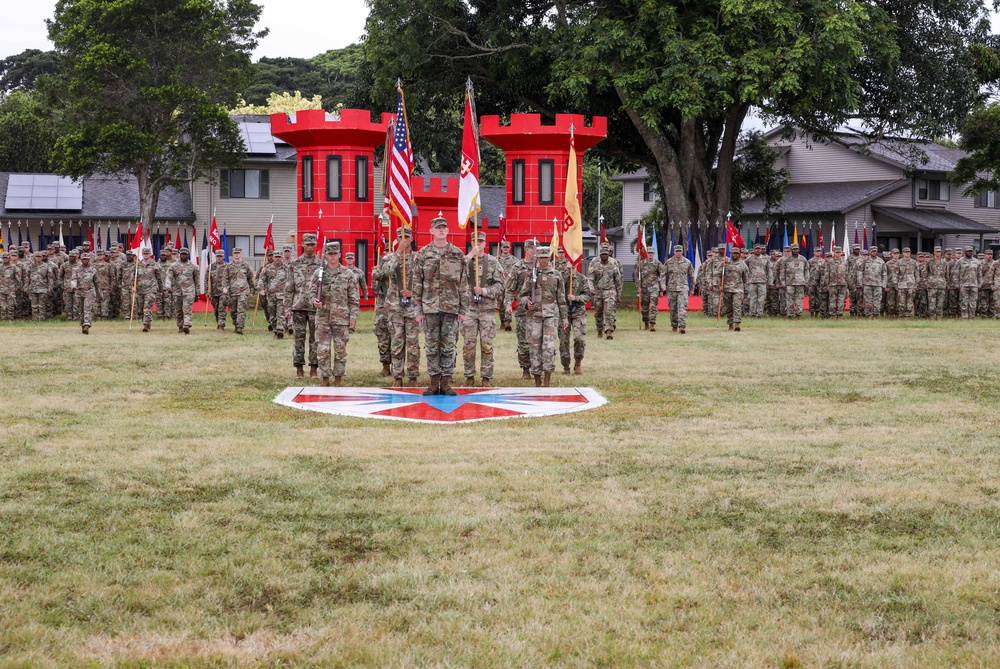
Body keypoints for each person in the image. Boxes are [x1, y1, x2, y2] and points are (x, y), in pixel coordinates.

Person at [412, 215, 469, 396]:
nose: (441, 230)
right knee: (431, 345)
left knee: (448, 345)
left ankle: (446, 382)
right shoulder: (422, 254)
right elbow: (417, 284)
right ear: (431, 231)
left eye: (444, 227)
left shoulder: (457, 254)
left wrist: (463, 309)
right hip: (429, 308)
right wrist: (418, 310)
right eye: (438, 228)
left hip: (451, 307)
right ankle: (433, 382)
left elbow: (463, 284)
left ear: (448, 231)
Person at [310, 241, 359, 387]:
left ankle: (338, 378)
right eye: (329, 254)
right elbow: (311, 292)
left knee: (340, 349)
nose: (332, 257)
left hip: (341, 318)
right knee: (323, 349)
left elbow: (354, 298)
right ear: (326, 256)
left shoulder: (347, 274)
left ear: (339, 254)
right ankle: (325, 378)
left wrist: (353, 317)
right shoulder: (319, 273)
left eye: (335, 253)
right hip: (323, 317)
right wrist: (314, 301)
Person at [517, 245, 567, 387]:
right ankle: (537, 379)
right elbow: (522, 295)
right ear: (537, 258)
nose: (543, 260)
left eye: (546, 257)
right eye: (541, 257)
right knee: (534, 348)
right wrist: (527, 303)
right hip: (535, 317)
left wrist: (564, 318)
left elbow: (561, 299)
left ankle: (547, 379)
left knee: (549, 348)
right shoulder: (532, 275)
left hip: (551, 316)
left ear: (549, 257)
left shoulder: (556, 275)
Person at [381, 228, 421, 387]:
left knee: (413, 344)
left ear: (412, 238)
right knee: (397, 343)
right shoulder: (391, 257)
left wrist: (413, 292)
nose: (404, 239)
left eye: (407, 236)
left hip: (412, 307)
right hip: (395, 307)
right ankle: (397, 377)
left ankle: (412, 377)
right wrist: (398, 252)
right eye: (400, 237)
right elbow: (385, 272)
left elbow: (426, 280)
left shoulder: (419, 258)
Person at [462, 230, 503, 387]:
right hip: (469, 310)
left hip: (486, 310)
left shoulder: (492, 262)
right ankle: (469, 376)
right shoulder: (465, 262)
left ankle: (486, 377)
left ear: (485, 243)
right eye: (475, 241)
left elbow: (500, 286)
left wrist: (484, 291)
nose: (478, 244)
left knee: (486, 345)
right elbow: (455, 278)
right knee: (468, 345)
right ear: (471, 242)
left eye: (481, 241)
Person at [285, 234, 322, 379]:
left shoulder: (321, 264)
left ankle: (314, 369)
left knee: (315, 339)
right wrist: (287, 308)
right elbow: (289, 288)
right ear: (302, 244)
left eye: (312, 244)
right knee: (298, 339)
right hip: (298, 306)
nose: (310, 247)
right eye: (307, 244)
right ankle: (299, 369)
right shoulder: (294, 264)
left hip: (314, 308)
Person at [505, 239, 536, 379]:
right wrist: (507, 304)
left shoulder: (540, 267)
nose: (536, 251)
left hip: (538, 311)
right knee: (523, 342)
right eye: (533, 249)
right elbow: (509, 289)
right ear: (527, 250)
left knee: (537, 341)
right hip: (523, 311)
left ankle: (537, 368)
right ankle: (525, 370)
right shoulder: (517, 267)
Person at [559, 257, 592, 374]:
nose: (572, 263)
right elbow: (557, 286)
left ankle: (578, 363)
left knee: (579, 338)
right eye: (570, 261)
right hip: (564, 313)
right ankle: (566, 366)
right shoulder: (562, 277)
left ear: (578, 262)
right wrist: (567, 270)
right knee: (563, 340)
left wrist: (576, 298)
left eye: (574, 261)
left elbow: (588, 295)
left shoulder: (582, 279)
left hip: (578, 312)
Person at [370, 245, 393, 375]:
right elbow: (375, 285)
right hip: (383, 304)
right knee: (383, 335)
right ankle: (385, 365)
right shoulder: (378, 268)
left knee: (397, 337)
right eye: (385, 251)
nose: (387, 253)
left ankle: (397, 365)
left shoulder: (399, 264)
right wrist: (384, 264)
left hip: (397, 305)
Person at [590, 242, 622, 339]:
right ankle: (599, 330)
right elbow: (590, 279)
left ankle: (608, 331)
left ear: (609, 255)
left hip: (610, 291)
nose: (604, 256)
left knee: (609, 312)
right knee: (598, 312)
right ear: (600, 256)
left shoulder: (613, 266)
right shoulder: (595, 266)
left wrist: (619, 295)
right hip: (598, 292)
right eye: (602, 254)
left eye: (606, 254)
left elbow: (618, 281)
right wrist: (591, 289)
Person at [221, 247, 254, 334]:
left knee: (241, 310)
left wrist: (252, 291)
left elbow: (250, 279)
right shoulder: (229, 266)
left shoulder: (246, 265)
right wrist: (225, 287)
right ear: (233, 254)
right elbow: (225, 279)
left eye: (238, 253)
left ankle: (240, 327)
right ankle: (236, 324)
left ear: (241, 254)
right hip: (232, 292)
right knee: (233, 311)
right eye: (235, 253)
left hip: (243, 292)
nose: (236, 255)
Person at [166, 248, 199, 334]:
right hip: (177, 291)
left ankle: (187, 325)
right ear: (179, 254)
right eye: (182, 254)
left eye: (185, 254)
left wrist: (197, 293)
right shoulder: (174, 266)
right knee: (178, 310)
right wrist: (168, 286)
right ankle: (180, 326)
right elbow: (169, 277)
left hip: (189, 291)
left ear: (188, 255)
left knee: (187, 309)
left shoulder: (193, 266)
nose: (183, 255)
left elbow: (197, 280)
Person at [257, 249, 288, 339]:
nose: (278, 259)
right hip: (271, 295)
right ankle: (275, 329)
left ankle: (280, 329)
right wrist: (261, 289)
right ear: (273, 258)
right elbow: (261, 279)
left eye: (279, 257)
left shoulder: (286, 268)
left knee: (281, 312)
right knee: (272, 313)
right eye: (276, 257)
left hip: (282, 295)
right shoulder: (267, 268)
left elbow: (291, 280)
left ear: (282, 258)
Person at [663, 244, 694, 333]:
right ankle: (674, 326)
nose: (678, 253)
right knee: (673, 308)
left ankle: (682, 327)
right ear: (674, 252)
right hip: (672, 288)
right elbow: (663, 275)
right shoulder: (669, 262)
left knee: (682, 307)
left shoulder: (687, 262)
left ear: (682, 252)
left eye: (680, 251)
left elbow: (692, 276)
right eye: (677, 251)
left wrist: (692, 288)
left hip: (683, 288)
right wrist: (662, 285)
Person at [634, 249, 664, 331]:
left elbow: (662, 276)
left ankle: (652, 324)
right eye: (649, 253)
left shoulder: (657, 263)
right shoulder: (641, 263)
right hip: (644, 288)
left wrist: (661, 289)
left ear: (654, 253)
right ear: (646, 253)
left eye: (651, 253)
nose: (650, 254)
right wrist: (638, 286)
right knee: (644, 308)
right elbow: (637, 275)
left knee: (653, 306)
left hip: (654, 288)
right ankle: (646, 323)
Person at [133, 247, 162, 331]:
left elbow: (159, 278)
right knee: (141, 309)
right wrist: (133, 286)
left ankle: (146, 325)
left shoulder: (155, 264)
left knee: (147, 307)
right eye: (144, 254)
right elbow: (134, 277)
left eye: (147, 253)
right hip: (140, 289)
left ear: (150, 254)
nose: (145, 255)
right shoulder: (138, 265)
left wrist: (160, 290)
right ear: (142, 254)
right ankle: (146, 321)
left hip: (151, 289)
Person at [779, 243, 809, 318]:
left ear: (799, 250)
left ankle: (799, 315)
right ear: (791, 250)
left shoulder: (803, 259)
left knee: (799, 300)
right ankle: (790, 315)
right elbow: (782, 272)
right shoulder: (786, 260)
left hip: (800, 283)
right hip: (789, 283)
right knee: (789, 300)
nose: (795, 250)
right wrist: (783, 283)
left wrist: (806, 282)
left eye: (797, 249)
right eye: (794, 249)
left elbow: (806, 271)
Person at [72, 252, 100, 334]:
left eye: (86, 259)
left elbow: (96, 282)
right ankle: (82, 324)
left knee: (87, 309)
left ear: (89, 260)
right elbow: (74, 279)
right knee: (81, 310)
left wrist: (98, 293)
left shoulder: (93, 270)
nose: (85, 261)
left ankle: (87, 325)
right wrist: (73, 286)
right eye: (83, 259)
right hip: (79, 292)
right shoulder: (76, 269)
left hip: (89, 291)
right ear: (81, 260)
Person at [496, 240, 521, 331]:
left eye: (507, 247)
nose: (506, 249)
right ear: (501, 248)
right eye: (504, 247)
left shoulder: (514, 260)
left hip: (510, 285)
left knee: (508, 303)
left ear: (510, 248)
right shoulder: (496, 259)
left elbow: (519, 270)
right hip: (499, 285)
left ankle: (507, 322)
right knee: (501, 305)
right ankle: (502, 321)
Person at [722, 249, 749, 331]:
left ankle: (737, 324)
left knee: (737, 306)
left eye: (737, 253)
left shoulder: (743, 264)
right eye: (734, 253)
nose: (735, 255)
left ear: (739, 254)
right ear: (731, 253)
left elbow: (745, 278)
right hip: (727, 288)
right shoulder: (725, 263)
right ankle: (730, 323)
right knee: (728, 308)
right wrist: (720, 286)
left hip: (738, 289)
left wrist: (746, 289)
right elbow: (720, 275)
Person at [858, 246, 887, 318]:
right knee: (868, 302)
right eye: (872, 251)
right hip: (867, 284)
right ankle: (867, 315)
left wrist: (884, 284)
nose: (874, 252)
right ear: (869, 252)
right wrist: (860, 283)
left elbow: (884, 273)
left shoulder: (881, 261)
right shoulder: (865, 261)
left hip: (878, 284)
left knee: (877, 302)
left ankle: (875, 316)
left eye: (875, 251)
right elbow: (860, 272)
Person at [955, 246, 982, 319]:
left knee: (973, 302)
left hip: (974, 285)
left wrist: (979, 284)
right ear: (965, 252)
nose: (969, 252)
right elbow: (956, 274)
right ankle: (964, 317)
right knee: (964, 302)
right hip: (964, 285)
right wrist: (957, 284)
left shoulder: (977, 262)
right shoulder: (960, 261)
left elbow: (979, 274)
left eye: (971, 251)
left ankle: (972, 317)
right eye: (968, 251)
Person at [27, 252, 55, 321]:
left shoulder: (46, 266)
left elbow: (50, 279)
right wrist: (26, 288)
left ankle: (41, 319)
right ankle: (35, 319)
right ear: (34, 257)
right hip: (33, 288)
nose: (38, 258)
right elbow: (27, 278)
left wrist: (49, 289)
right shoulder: (30, 266)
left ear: (42, 257)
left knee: (42, 305)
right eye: (37, 257)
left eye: (39, 257)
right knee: (34, 306)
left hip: (43, 288)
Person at [745, 244, 769, 318]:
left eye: (759, 249)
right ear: (753, 249)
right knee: (752, 298)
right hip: (752, 282)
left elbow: (769, 271)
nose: (758, 250)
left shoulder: (765, 259)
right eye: (756, 249)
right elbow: (744, 268)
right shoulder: (749, 259)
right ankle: (752, 313)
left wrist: (769, 282)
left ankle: (760, 314)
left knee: (761, 299)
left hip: (762, 282)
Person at [824, 246, 848, 318]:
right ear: (834, 253)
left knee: (841, 300)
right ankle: (833, 315)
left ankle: (839, 315)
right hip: (833, 284)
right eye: (836, 252)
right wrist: (827, 284)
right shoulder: (830, 262)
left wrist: (847, 284)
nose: (838, 254)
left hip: (842, 284)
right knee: (832, 300)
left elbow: (847, 274)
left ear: (841, 253)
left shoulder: (844, 262)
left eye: (839, 252)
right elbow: (827, 273)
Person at [895, 248, 918, 318]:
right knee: (901, 302)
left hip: (911, 285)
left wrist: (916, 285)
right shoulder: (899, 262)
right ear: (903, 253)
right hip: (901, 285)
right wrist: (896, 284)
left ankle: (908, 316)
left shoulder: (914, 262)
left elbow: (917, 274)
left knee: (910, 302)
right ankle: (902, 315)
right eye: (906, 252)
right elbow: (895, 274)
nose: (907, 253)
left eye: (908, 252)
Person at [209, 249, 228, 329]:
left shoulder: (227, 266)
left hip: (223, 292)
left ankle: (221, 325)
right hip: (214, 291)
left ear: (224, 257)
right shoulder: (211, 266)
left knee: (221, 308)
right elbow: (207, 279)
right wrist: (207, 291)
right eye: (217, 256)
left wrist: (227, 288)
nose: (219, 258)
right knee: (216, 310)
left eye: (220, 256)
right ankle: (218, 322)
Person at [60, 250, 80, 321]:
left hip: (77, 287)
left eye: (73, 256)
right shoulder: (64, 265)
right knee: (68, 302)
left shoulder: (80, 265)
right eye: (70, 256)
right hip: (67, 287)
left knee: (76, 302)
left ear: (76, 257)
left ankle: (76, 316)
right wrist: (62, 284)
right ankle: (69, 315)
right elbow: (61, 276)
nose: (71, 258)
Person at [0, 252, 20, 320]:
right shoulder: (0, 267)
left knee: (10, 305)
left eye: (6, 258)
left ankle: (10, 318)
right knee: (2, 305)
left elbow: (18, 278)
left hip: (11, 289)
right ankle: (3, 318)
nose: (4, 259)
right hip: (2, 289)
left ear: (9, 258)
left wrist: (17, 286)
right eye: (3, 258)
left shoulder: (13, 267)